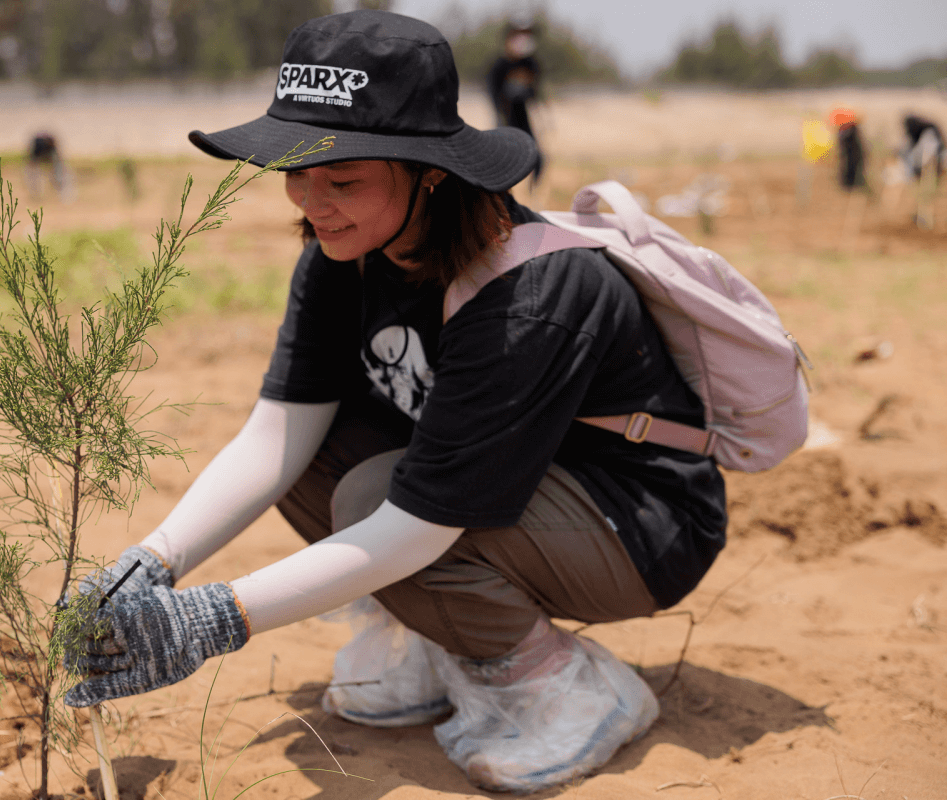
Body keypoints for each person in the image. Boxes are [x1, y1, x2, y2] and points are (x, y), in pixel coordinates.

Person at [62, 10, 726, 794]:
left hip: (636, 521)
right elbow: (279, 432)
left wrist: (214, 621)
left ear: (431, 171)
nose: (314, 204)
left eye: (342, 179)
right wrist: (155, 562)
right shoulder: (343, 253)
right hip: (504, 486)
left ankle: (559, 685)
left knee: (379, 497)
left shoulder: (529, 294)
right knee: (316, 458)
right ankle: (431, 642)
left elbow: (420, 525)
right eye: (297, 172)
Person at [486, 15, 544, 183]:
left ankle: (533, 190)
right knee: (502, 155)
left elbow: (534, 92)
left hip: (523, 115)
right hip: (505, 115)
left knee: (536, 156)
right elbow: (493, 93)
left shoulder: (530, 63)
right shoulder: (499, 65)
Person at [829, 107, 866, 191]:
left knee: (852, 164)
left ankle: (853, 184)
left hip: (851, 153)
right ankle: (850, 184)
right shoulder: (847, 129)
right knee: (849, 164)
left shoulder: (849, 129)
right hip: (849, 154)